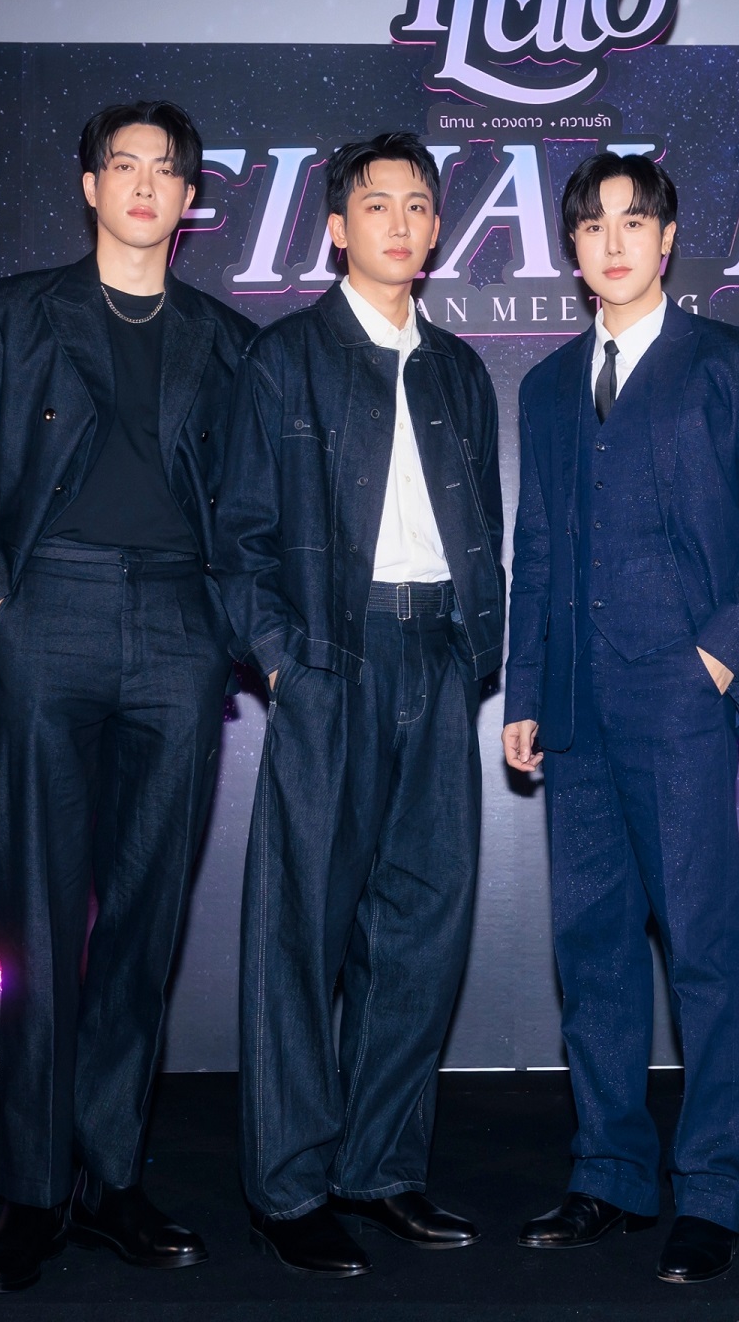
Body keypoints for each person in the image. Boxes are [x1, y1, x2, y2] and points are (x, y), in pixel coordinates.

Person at [0, 100, 257, 1292]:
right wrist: (3, 618)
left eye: (166, 170)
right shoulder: (13, 312)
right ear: (89, 184)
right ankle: (33, 1191)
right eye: (122, 165)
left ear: (189, 200)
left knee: (143, 918)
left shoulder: (227, 340)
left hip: (178, 630)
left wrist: (222, 631)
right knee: (37, 913)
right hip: (48, 615)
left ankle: (112, 1177)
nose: (143, 184)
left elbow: (251, 512)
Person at [502, 151, 739, 1285]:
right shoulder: (546, 385)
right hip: (576, 705)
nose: (613, 242)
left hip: (681, 696)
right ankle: (609, 1175)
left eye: (633, 222)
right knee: (591, 951)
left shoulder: (726, 362)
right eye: (592, 226)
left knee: (700, 950)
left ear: (668, 237)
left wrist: (719, 654)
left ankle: (711, 1190)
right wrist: (524, 693)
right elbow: (538, 546)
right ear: (572, 248)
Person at [216, 131, 504, 1277]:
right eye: (375, 204)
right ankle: (287, 1190)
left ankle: (378, 1171)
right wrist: (284, 664)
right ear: (336, 226)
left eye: (418, 205)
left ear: (436, 229)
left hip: (437, 657)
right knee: (299, 937)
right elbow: (238, 537)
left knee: (419, 933)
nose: (399, 221)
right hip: (329, 660)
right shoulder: (284, 357)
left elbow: (482, 527)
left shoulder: (459, 370)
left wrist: (474, 653)